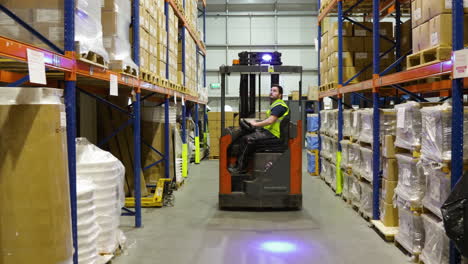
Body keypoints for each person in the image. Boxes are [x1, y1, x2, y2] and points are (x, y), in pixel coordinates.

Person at [231, 85, 290, 173]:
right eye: (271, 90)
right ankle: (238, 164)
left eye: (275, 91)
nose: (271, 92)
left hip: (274, 135)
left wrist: (256, 124)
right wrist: (257, 123)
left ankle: (241, 168)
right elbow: (270, 120)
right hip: (269, 132)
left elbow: (270, 121)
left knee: (248, 140)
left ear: (280, 95)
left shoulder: (279, 106)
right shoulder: (275, 105)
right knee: (246, 136)